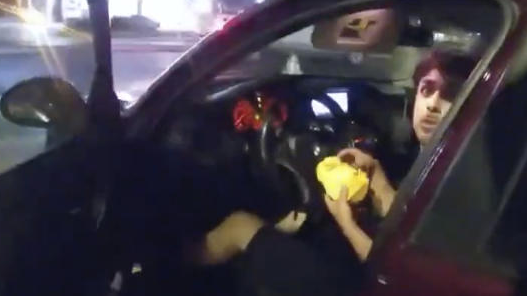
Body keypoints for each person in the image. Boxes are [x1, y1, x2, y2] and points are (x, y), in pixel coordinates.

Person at [185, 49, 479, 267]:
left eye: (450, 94)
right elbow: (409, 226)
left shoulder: (459, 177)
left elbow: (400, 269)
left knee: (239, 226)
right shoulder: (438, 158)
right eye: (427, 90)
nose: (432, 105)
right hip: (364, 267)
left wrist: (346, 223)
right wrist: (378, 180)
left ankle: (173, 272)